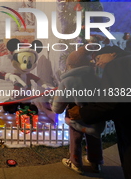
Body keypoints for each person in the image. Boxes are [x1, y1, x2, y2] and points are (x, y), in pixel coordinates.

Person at [68, 45, 131, 179]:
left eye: (98, 57)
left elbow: (112, 103)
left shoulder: (118, 64)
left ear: (113, 53)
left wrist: (82, 112)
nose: (97, 63)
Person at [52, 46, 104, 174]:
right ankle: (95, 162)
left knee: (75, 139)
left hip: (76, 116)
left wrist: (56, 109)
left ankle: (75, 163)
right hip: (94, 115)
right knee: (94, 138)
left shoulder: (67, 81)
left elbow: (59, 102)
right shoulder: (96, 78)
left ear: (69, 65)